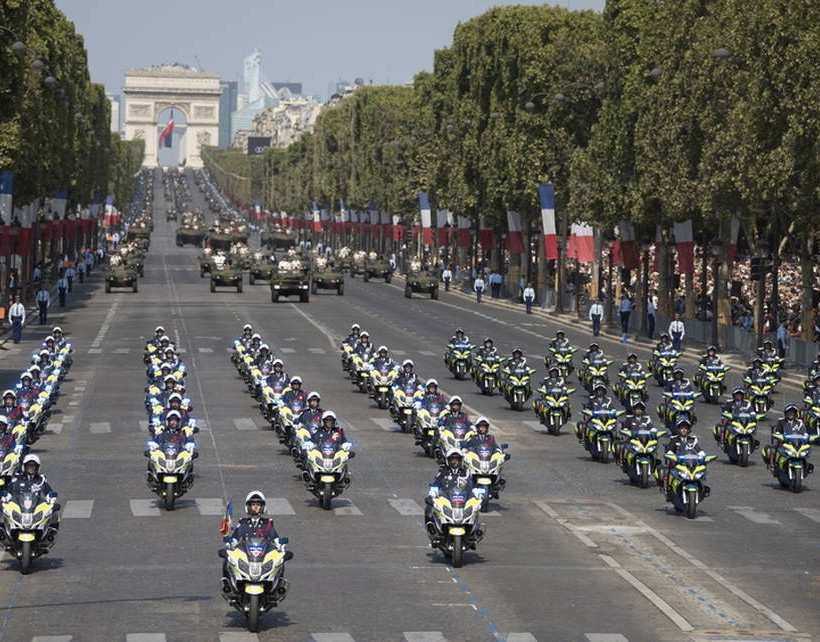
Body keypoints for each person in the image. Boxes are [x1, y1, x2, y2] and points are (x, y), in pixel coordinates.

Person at [3, 455, 59, 526]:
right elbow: (8, 492)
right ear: (24, 467)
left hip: (35, 508)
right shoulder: (17, 479)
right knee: (4, 510)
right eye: (29, 466)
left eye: (33, 466)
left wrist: (51, 499)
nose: (31, 468)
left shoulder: (41, 480)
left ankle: (49, 530)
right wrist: (5, 497)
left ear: (37, 468)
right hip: (19, 507)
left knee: (53, 514)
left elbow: (49, 493)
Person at [424, 449, 473, 526]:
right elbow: (436, 483)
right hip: (446, 498)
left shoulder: (466, 472)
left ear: (461, 460)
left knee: (475, 508)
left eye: (457, 459)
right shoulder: (443, 471)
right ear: (448, 461)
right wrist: (432, 493)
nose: (454, 462)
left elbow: (471, 485)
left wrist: (476, 492)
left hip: (462, 499)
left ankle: (472, 527)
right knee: (429, 506)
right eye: (452, 459)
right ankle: (431, 526)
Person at [660, 419, 704, 493]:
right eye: (682, 428)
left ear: (688, 430)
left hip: (690, 463)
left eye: (685, 428)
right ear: (678, 429)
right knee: (668, 470)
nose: (684, 430)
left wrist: (703, 457)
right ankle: (666, 487)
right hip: (677, 463)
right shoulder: (674, 439)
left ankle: (701, 488)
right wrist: (672, 456)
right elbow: (670, 450)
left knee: (701, 472)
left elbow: (700, 451)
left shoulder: (692, 440)